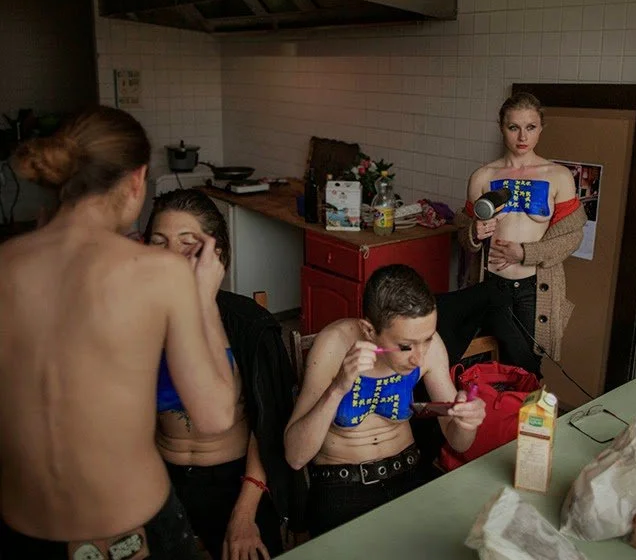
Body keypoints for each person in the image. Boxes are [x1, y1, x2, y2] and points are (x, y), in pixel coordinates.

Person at [0, 107, 237, 559]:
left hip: (22, 528)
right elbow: (216, 416)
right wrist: (203, 298)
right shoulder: (160, 274)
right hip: (130, 530)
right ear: (136, 181)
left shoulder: (6, 263)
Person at [145, 189, 306, 560]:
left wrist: (245, 511)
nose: (170, 257)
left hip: (236, 480)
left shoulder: (248, 325)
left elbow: (269, 423)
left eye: (187, 245)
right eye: (158, 243)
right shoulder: (134, 324)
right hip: (159, 476)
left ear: (217, 256)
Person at [283, 264, 486, 538]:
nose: (419, 356)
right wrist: (338, 387)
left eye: (426, 339)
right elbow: (295, 457)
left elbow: (460, 442)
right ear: (369, 330)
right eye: (405, 346)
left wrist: (466, 421)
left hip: (410, 472)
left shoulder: (429, 346)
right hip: (343, 485)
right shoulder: (334, 344)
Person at [454, 92, 587, 374]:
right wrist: (474, 233)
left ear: (541, 128)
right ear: (501, 127)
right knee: (479, 366)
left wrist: (526, 253)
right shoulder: (483, 176)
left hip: (533, 288)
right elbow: (462, 232)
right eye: (514, 127)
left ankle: (524, 418)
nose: (522, 136)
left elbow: (572, 236)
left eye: (530, 127)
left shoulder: (558, 176)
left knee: (526, 369)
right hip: (489, 283)